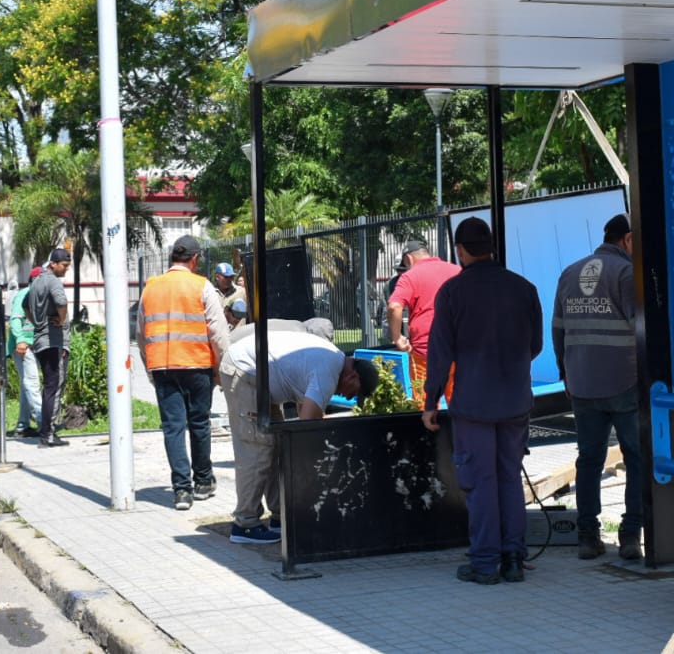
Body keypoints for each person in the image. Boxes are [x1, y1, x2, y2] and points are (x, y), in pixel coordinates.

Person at [422, 217, 543, 585]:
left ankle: (485, 563)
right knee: (509, 478)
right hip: (516, 402)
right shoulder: (524, 288)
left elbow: (440, 352)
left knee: (480, 482)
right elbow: (535, 345)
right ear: (491, 247)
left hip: (473, 403)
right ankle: (514, 560)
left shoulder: (453, 292)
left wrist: (430, 401)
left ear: (460, 250)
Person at [220, 330, 379, 544]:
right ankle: (244, 525)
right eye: (355, 392)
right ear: (353, 376)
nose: (348, 397)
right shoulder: (328, 371)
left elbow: (308, 411)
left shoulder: (331, 361)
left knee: (275, 445)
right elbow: (306, 429)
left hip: (258, 375)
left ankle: (280, 517)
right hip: (245, 370)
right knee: (258, 447)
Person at [552, 213, 645, 561]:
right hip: (624, 382)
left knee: (589, 460)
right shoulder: (626, 274)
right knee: (636, 458)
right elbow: (641, 330)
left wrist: (567, 373)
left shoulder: (569, 273)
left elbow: (558, 329)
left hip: (582, 383)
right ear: (628, 239)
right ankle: (631, 536)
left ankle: (588, 537)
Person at [140, 234, 231, 511]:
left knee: (173, 428)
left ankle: (182, 491)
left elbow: (141, 334)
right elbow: (218, 333)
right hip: (196, 365)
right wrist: (222, 369)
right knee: (200, 424)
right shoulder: (202, 286)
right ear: (194, 259)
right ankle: (203, 481)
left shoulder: (150, 287)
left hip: (164, 367)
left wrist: (150, 368)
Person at [388, 239, 460, 405]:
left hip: (425, 352)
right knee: (461, 404)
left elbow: (394, 306)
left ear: (408, 258)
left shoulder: (410, 276)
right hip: (458, 349)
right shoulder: (457, 270)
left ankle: (429, 431)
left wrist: (397, 337)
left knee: (425, 406)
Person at [27, 248, 72, 449]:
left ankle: (46, 432)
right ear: (53, 263)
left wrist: (38, 323)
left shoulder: (36, 281)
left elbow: (25, 307)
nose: (66, 269)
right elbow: (61, 301)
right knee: (55, 387)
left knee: (49, 388)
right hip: (54, 342)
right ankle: (48, 434)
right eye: (64, 265)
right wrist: (61, 320)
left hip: (41, 340)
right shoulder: (53, 281)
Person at [6, 266, 43, 439]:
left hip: (34, 345)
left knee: (27, 385)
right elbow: (15, 320)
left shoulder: (42, 295)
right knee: (32, 382)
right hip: (22, 346)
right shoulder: (24, 294)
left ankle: (22, 426)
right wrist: (21, 339)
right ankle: (44, 422)